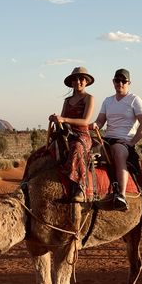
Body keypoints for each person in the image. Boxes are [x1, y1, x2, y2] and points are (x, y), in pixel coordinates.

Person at [91, 69, 142, 211]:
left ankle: (121, 195)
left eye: (123, 81)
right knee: (86, 149)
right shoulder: (108, 101)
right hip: (106, 138)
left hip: (123, 141)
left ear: (129, 83)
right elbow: (100, 121)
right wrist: (94, 125)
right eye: (117, 80)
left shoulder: (135, 100)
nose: (120, 83)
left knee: (117, 152)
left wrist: (132, 142)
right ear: (113, 82)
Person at [49, 67, 95, 202]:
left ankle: (79, 187)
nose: (78, 81)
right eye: (75, 79)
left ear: (86, 82)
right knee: (47, 150)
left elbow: (85, 121)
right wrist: (56, 120)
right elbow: (62, 120)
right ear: (72, 82)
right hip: (67, 133)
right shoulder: (67, 100)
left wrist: (64, 119)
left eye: (81, 79)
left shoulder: (89, 98)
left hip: (82, 135)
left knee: (76, 148)